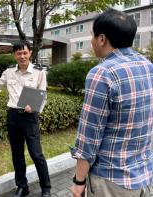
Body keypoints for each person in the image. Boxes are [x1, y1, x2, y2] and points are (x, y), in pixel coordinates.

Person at [70, 8, 153, 197]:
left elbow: (88, 136)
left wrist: (79, 181)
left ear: (101, 39)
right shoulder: (149, 67)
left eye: (92, 35)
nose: (91, 41)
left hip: (110, 180)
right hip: (144, 175)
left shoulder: (102, 73)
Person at [0, 41, 51, 197]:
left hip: (29, 117)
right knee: (17, 153)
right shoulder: (9, 72)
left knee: (36, 154)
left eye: (25, 53)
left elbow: (43, 94)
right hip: (13, 116)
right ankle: (22, 186)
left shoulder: (39, 72)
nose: (22, 56)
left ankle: (46, 188)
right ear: (14, 55)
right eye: (18, 53)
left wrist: (33, 106)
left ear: (30, 53)